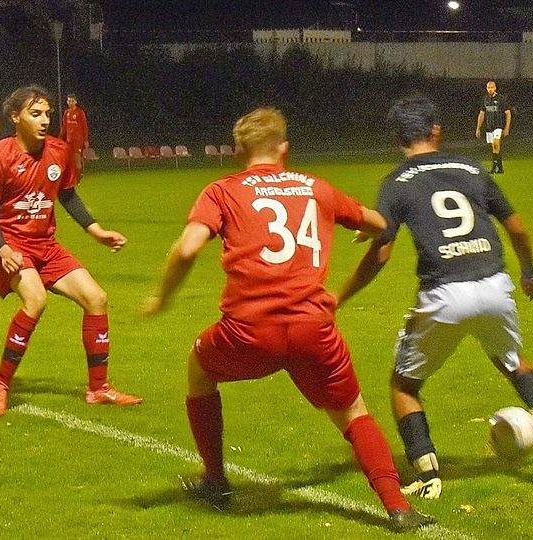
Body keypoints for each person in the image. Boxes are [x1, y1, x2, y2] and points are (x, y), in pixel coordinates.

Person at [142, 107, 433, 532]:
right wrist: (368, 231)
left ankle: (216, 481)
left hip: (249, 331)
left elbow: (187, 249)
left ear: (238, 151)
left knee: (199, 370)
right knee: (353, 412)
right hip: (313, 327)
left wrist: (161, 297)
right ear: (284, 148)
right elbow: (379, 223)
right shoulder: (315, 187)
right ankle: (397, 507)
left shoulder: (222, 190)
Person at [338, 95, 533, 500]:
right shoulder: (471, 168)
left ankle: (426, 471)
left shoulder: (396, 182)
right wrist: (527, 273)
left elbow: (380, 253)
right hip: (494, 285)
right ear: (437, 130)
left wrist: (340, 296)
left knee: (403, 386)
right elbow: (518, 229)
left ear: (398, 136)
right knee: (512, 360)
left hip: (445, 294)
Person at [0, 85, 141, 417]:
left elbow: (67, 195)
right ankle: (0, 385)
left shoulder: (59, 150)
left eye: (47, 113)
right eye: (35, 113)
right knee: (36, 300)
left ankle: (98, 389)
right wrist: (4, 248)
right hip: (10, 244)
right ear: (15, 117)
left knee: (96, 298)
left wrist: (97, 231)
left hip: (45, 244)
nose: (44, 120)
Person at [475, 80, 511, 174]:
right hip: (489, 126)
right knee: (494, 148)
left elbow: (508, 113)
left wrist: (507, 127)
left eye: (492, 88)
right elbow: (482, 114)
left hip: (498, 125)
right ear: (486, 89)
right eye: (488, 88)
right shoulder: (485, 99)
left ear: (495, 88)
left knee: (496, 144)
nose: (490, 89)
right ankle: (500, 168)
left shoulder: (500, 99)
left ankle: (494, 167)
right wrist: (478, 128)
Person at [59, 93, 89, 174]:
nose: (70, 103)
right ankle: (72, 176)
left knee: (77, 158)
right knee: (69, 159)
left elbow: (85, 127)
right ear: (67, 102)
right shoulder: (66, 113)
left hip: (78, 140)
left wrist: (86, 140)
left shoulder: (80, 112)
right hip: (69, 140)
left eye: (72, 101)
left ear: (75, 102)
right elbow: (64, 127)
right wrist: (60, 138)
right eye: (69, 101)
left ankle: (79, 176)